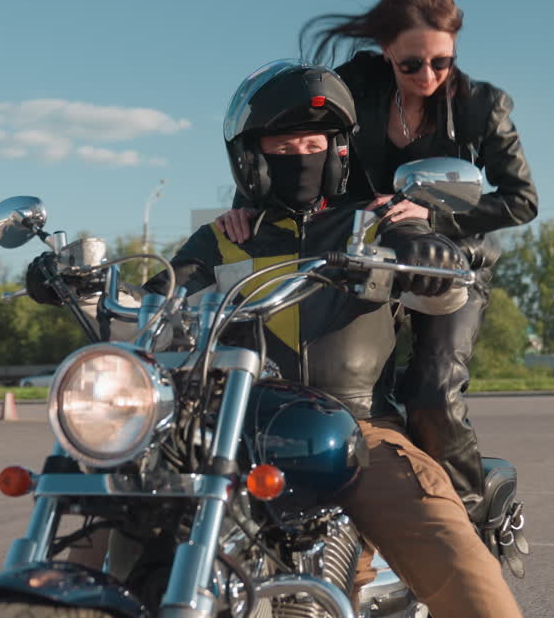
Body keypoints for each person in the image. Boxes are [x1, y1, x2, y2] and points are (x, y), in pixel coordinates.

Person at [156, 60, 525, 617]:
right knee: (125, 513)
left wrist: (431, 255)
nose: (301, 154)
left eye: (316, 141)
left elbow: (446, 289)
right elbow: (153, 303)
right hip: (239, 434)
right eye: (283, 143)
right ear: (250, 156)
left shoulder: (376, 223)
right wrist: (82, 286)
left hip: (363, 433)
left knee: (468, 576)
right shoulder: (223, 238)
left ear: (340, 151)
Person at [216, 0, 539, 522]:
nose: (430, 77)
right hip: (354, 255)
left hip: (446, 264)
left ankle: (465, 515)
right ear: (387, 50)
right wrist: (247, 206)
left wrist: (433, 215)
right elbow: (292, 139)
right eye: (413, 63)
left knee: (432, 391)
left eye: (443, 61)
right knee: (336, 390)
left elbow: (521, 200)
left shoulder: (483, 106)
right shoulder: (353, 86)